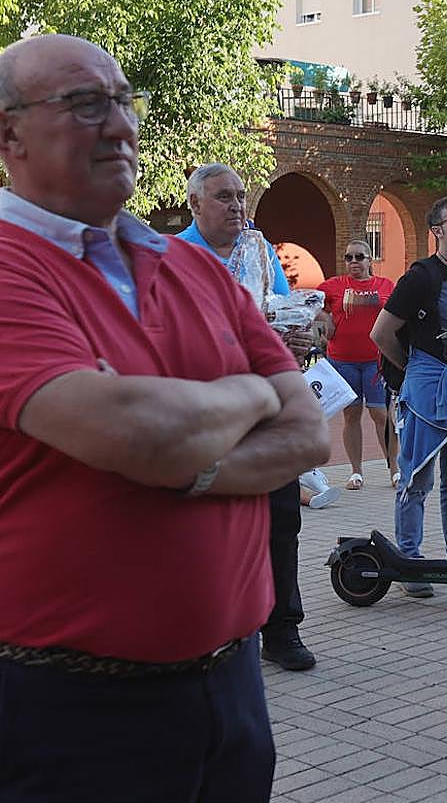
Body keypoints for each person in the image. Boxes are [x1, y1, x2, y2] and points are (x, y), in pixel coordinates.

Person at [0, 35, 329, 800]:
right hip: (61, 703)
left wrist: (187, 463)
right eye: (84, 104)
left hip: (230, 688)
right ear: (7, 133)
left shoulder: (196, 269)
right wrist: (253, 395)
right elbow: (141, 433)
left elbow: (307, 432)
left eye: (123, 101)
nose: (119, 124)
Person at [178, 162, 319, 671]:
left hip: (268, 404)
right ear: (195, 203)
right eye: (224, 197)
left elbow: (281, 311)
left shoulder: (259, 251)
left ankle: (281, 629)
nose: (237, 206)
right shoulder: (174, 258)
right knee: (211, 526)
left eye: (241, 196)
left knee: (281, 519)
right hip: (209, 411)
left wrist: (299, 337)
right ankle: (213, 632)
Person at [370, 195, 447, 598]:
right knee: (417, 477)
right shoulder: (420, 277)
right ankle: (410, 562)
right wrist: (413, 371)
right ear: (437, 231)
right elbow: (381, 333)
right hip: (429, 390)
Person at [318, 239, 399, 490]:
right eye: (349, 257)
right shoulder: (333, 286)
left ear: (369, 260)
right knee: (351, 415)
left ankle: (395, 470)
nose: (354, 261)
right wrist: (324, 323)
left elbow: (399, 314)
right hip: (343, 361)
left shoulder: (385, 285)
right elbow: (310, 303)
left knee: (381, 415)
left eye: (359, 257)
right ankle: (356, 472)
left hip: (376, 361)